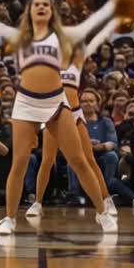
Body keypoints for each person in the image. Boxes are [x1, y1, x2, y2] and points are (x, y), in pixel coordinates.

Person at [0, 0, 131, 236]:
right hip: (26, 103)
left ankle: (102, 213)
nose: (41, 7)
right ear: (29, 10)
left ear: (52, 12)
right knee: (18, 163)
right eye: (37, 4)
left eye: (46, 5)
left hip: (56, 102)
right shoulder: (20, 37)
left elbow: (89, 29)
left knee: (79, 161)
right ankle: (9, 219)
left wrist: (115, 6)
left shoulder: (61, 37)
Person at [27, 22, 116, 217]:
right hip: (54, 113)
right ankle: (38, 203)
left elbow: (91, 38)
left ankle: (107, 200)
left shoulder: (77, 60)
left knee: (88, 159)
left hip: (74, 114)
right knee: (47, 159)